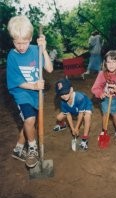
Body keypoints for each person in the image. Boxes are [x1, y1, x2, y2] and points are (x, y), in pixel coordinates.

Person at [6, 15, 53, 168]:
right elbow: (15, 81)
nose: (21, 46)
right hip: (22, 93)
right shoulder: (12, 56)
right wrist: (33, 86)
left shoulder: (35, 50)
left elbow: (50, 69)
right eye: (17, 42)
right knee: (30, 120)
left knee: (29, 122)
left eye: (24, 42)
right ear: (12, 40)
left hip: (36, 94)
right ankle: (32, 149)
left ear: (31, 38)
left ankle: (19, 149)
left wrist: (44, 50)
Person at [91, 50, 116, 141]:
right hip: (105, 99)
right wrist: (100, 93)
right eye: (108, 62)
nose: (111, 64)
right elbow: (95, 87)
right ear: (105, 63)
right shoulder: (102, 74)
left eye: (114, 62)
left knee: (115, 113)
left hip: (115, 98)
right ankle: (104, 130)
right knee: (105, 114)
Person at [53, 78, 93, 151]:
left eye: (66, 92)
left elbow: (81, 114)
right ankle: (63, 125)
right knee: (59, 117)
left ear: (71, 90)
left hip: (84, 107)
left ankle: (85, 139)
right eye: (61, 94)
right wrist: (72, 129)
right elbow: (68, 115)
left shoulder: (80, 97)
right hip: (73, 109)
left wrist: (77, 128)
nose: (64, 96)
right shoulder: (63, 101)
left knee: (87, 117)